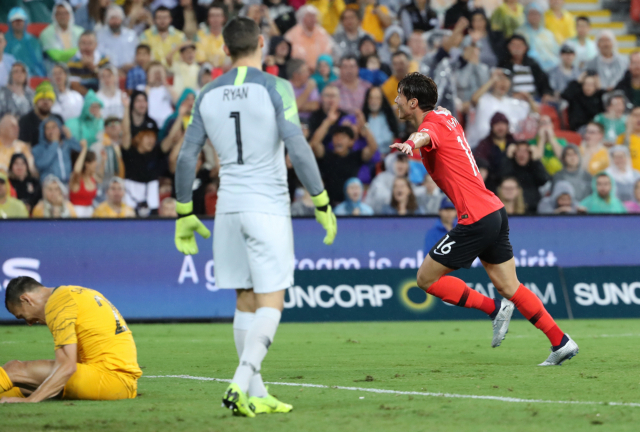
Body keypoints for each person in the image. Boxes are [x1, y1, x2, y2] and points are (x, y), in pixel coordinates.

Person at [173, 17, 336, 417]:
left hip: (226, 209)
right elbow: (298, 149)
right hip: (267, 207)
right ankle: (241, 380)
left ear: (224, 49)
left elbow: (185, 156)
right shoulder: (277, 87)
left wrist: (183, 212)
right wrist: (321, 202)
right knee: (272, 301)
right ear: (262, 43)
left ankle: (256, 393)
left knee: (245, 300)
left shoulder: (207, 93)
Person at [391, 72, 577, 365]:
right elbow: (435, 127)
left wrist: (411, 144)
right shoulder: (444, 115)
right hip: (493, 210)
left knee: (425, 279)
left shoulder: (433, 124)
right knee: (510, 286)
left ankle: (492, 309)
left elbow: (425, 135)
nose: (395, 100)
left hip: (476, 217)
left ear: (413, 102)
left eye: (399, 95)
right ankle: (561, 341)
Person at [0, 276, 142, 403]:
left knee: (14, 369)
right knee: (14, 389)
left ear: (26, 299)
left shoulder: (57, 304)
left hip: (110, 380)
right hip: (119, 381)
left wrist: (32, 400)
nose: (29, 323)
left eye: (23, 316)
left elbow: (67, 367)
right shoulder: (75, 293)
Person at [467, 68, 535, 148]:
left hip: (504, 149)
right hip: (477, 147)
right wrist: (491, 80)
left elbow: (535, 113)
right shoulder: (483, 99)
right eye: (500, 79)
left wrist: (529, 98)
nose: (503, 83)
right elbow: (473, 99)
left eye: (507, 80)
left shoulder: (513, 103)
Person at [312, 122, 378, 204]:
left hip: (350, 205)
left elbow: (373, 147)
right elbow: (314, 143)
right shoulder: (326, 155)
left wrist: (364, 125)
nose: (339, 139)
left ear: (351, 142)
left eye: (343, 137)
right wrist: (328, 121)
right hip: (328, 203)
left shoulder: (356, 157)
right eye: (336, 137)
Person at [498, 34, 553, 100]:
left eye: (519, 45)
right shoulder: (504, 65)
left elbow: (544, 83)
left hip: (534, 101)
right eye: (514, 45)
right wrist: (512, 95)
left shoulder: (532, 64)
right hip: (512, 101)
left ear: (525, 47)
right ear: (508, 47)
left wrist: (546, 94)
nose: (517, 48)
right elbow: (499, 86)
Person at [502, 141, 550, 212]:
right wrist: (508, 157)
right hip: (512, 208)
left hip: (532, 208)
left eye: (525, 151)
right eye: (519, 151)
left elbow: (544, 179)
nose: (522, 154)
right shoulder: (510, 166)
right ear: (514, 153)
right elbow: (501, 177)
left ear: (530, 154)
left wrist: (536, 160)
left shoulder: (534, 166)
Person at [473, 112, 516, 192]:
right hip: (492, 186)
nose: (500, 128)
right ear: (492, 127)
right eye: (497, 124)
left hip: (513, 186)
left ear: (507, 126)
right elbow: (481, 162)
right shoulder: (484, 144)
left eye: (503, 124)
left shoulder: (514, 142)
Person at [33, 117, 83, 184]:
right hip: (50, 185)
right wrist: (54, 143)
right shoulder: (38, 149)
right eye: (47, 129)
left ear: (60, 129)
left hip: (68, 183)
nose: (51, 131)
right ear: (43, 132)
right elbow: (41, 165)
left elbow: (79, 151)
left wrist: (70, 137)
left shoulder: (66, 145)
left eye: (53, 127)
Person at [284, 5, 333, 72]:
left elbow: (328, 51)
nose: (312, 19)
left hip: (320, 70)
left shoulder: (322, 32)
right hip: (299, 70)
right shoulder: (292, 33)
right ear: (302, 18)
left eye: (314, 16)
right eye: (309, 16)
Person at [517, 2, 559, 73]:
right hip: (528, 68)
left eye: (537, 14)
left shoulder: (548, 34)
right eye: (532, 13)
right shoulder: (520, 33)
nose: (534, 16)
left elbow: (556, 52)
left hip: (550, 69)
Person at [18, 82, 64, 148]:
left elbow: (63, 143)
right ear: (36, 101)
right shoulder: (25, 120)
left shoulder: (58, 119)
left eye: (49, 99)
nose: (46, 102)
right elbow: (24, 147)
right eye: (42, 99)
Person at [4, 7, 46, 77]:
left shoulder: (33, 41)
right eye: (15, 20)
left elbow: (38, 63)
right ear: (10, 23)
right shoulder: (3, 40)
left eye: (20, 20)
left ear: (25, 22)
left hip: (32, 77)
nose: (18, 23)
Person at [96, 5, 138, 70]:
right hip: (107, 70)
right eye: (112, 18)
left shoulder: (131, 35)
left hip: (129, 69)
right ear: (107, 20)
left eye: (117, 18)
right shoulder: (100, 35)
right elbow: (99, 55)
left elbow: (137, 53)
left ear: (121, 19)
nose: (115, 22)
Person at [69, 140, 101, 217]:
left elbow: (101, 178)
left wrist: (103, 161)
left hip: (90, 212)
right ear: (87, 164)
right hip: (76, 213)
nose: (96, 164)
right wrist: (84, 149)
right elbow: (77, 170)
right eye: (94, 161)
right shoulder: (76, 179)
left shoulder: (92, 177)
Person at [362, 86, 399, 154]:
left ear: (382, 100)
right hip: (370, 156)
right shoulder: (363, 118)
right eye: (371, 98)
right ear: (367, 100)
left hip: (389, 154)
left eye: (377, 98)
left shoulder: (388, 117)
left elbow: (395, 136)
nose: (374, 101)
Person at [196, 2, 229, 69]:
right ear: (208, 18)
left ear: (224, 18)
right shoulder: (200, 35)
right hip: (206, 73)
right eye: (212, 15)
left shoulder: (229, 35)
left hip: (226, 73)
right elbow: (200, 60)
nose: (215, 19)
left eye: (218, 15)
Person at [287, 58, 320, 123]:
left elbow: (316, 105)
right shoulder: (285, 87)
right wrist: (307, 91)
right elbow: (289, 109)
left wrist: (297, 106)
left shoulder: (310, 84)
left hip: (309, 121)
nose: (308, 74)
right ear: (296, 75)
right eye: (305, 72)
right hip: (290, 121)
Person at [145, 61, 175, 128]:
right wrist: (149, 83)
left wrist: (165, 83)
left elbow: (178, 102)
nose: (157, 75)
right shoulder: (143, 89)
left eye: (159, 73)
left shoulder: (168, 89)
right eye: (155, 73)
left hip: (168, 123)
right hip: (150, 124)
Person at [616, 106, 640, 172]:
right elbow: (620, 157)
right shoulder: (621, 138)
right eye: (636, 115)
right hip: (629, 179)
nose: (639, 118)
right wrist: (628, 132)